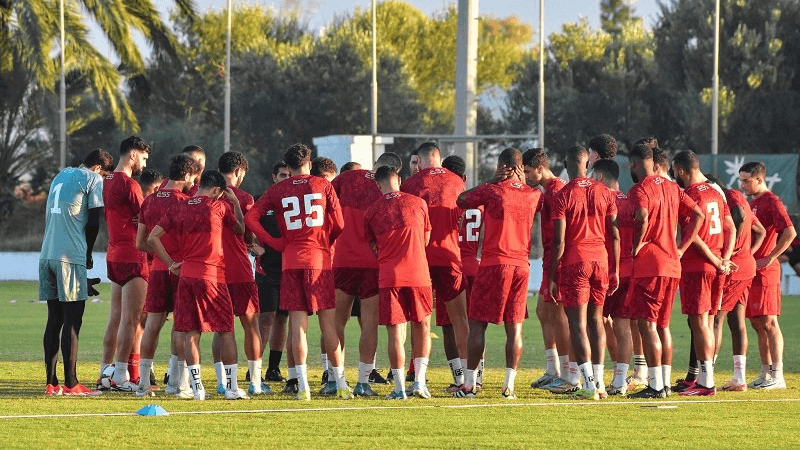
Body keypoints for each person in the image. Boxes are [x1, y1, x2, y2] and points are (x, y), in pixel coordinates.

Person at [245, 143, 347, 400]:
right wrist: (326, 241)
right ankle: (341, 384)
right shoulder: (323, 185)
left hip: (291, 261)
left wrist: (274, 242)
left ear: (287, 168)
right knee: (328, 326)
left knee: (298, 327)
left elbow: (251, 218)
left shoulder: (278, 189)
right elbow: (340, 224)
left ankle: (302, 386)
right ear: (309, 164)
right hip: (319, 262)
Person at [148, 170, 246, 400]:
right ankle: (231, 388)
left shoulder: (178, 207)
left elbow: (152, 238)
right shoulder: (219, 207)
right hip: (213, 276)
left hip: (187, 276)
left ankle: (197, 389)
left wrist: (171, 264)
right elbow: (240, 230)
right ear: (216, 190)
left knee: (191, 332)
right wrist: (234, 203)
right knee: (225, 330)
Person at [456, 148, 542, 399]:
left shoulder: (493, 190)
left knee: (477, 325)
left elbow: (462, 200)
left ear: (501, 167)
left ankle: (470, 385)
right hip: (521, 266)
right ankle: (509, 386)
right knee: (514, 328)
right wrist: (521, 183)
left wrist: (492, 180)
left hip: (495, 263)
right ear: (519, 168)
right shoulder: (533, 194)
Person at [627, 143, 703, 399]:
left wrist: (637, 245)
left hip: (651, 265)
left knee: (646, 325)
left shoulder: (640, 188)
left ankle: (657, 386)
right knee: (663, 326)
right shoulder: (672, 187)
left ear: (635, 164)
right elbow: (698, 214)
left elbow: (642, 216)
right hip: (673, 264)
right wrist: (682, 247)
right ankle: (666, 383)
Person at [330, 152, 403, 397]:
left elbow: (325, 204)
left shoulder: (346, 179)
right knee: (369, 324)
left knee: (335, 323)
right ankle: (362, 381)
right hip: (373, 263)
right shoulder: (385, 189)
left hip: (343, 259)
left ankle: (335, 380)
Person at [41, 149, 113, 396]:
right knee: (73, 321)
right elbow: (93, 221)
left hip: (47, 254)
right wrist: (88, 254)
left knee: (54, 319)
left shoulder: (61, 175)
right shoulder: (92, 179)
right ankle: (72, 383)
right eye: (104, 174)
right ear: (97, 168)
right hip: (70, 257)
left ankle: (51, 383)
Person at [550, 147, 619, 400]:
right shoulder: (604, 191)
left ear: (568, 164)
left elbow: (559, 242)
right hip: (600, 261)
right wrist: (616, 269)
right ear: (586, 163)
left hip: (575, 261)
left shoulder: (563, 194)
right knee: (596, 321)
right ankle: (599, 384)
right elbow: (614, 234)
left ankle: (588, 384)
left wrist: (551, 277)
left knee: (577, 324)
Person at [401, 142, 470, 395]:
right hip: (451, 256)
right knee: (461, 320)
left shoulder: (412, 184)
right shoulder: (457, 182)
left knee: (421, 320)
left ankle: (418, 379)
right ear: (439, 158)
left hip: (421, 259)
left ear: (419, 159)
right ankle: (468, 380)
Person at [134, 154, 201, 397]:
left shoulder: (150, 201)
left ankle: (143, 384)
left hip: (158, 271)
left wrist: (163, 260)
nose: (195, 182)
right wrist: (173, 261)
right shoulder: (185, 202)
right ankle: (176, 383)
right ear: (186, 175)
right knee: (181, 326)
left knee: (152, 324)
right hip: (180, 270)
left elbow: (141, 242)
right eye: (194, 177)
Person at [670, 151, 736, 396]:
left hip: (699, 267)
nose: (674, 175)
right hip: (717, 266)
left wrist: (717, 261)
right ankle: (703, 380)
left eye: (675, 171)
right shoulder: (715, 192)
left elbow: (693, 236)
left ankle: (706, 383)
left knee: (700, 324)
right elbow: (731, 227)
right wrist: (725, 258)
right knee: (707, 323)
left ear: (680, 169)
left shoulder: (689, 195)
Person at [365, 166, 433, 399]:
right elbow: (425, 239)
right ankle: (420, 383)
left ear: (378, 185)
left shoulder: (372, 211)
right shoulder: (419, 204)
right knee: (422, 326)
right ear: (399, 180)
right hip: (418, 274)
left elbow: (373, 245)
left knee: (395, 332)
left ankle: (399, 388)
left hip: (389, 276)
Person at [100, 136, 152, 391]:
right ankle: (120, 374)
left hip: (113, 254)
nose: (144, 163)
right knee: (131, 320)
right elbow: (148, 219)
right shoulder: (130, 185)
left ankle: (105, 370)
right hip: (133, 256)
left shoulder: (106, 181)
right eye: (143, 157)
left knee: (116, 317)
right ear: (133, 154)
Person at [215, 151, 268, 396]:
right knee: (251, 325)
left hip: (213, 271)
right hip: (239, 270)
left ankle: (222, 382)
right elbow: (248, 235)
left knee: (221, 328)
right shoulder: (244, 198)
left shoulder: (203, 195)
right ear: (238, 172)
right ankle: (255, 381)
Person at [739, 162, 796, 389]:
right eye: (741, 180)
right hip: (753, 270)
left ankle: (778, 375)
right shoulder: (753, 202)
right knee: (756, 323)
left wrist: (772, 257)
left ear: (759, 180)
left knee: (770, 322)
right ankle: (765, 373)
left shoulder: (772, 201)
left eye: (746, 180)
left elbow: (790, 232)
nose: (742, 185)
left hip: (767, 272)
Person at [522, 148, 573, 393]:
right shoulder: (548, 190)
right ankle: (552, 369)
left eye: (529, 171)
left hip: (559, 261)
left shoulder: (556, 191)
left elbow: (562, 237)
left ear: (541, 168)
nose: (527, 176)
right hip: (550, 259)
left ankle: (565, 374)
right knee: (543, 311)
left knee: (558, 315)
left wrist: (554, 271)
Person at [713, 179, 765, 391]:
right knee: (737, 322)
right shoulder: (739, 198)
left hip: (734, 268)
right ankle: (739, 378)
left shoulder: (731, 197)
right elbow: (760, 230)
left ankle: (706, 376)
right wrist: (747, 254)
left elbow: (741, 218)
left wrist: (731, 251)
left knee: (715, 319)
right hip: (745, 266)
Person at [591, 159, 634, 396]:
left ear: (599, 177)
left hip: (605, 269)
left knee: (592, 322)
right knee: (623, 326)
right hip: (629, 270)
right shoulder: (630, 201)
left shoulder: (601, 200)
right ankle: (619, 381)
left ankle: (588, 379)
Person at [442, 155, 484, 391]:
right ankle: (476, 378)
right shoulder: (480, 202)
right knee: (475, 325)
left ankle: (459, 378)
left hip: (451, 266)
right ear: (465, 178)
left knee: (450, 324)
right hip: (476, 266)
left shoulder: (445, 203)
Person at [251, 162, 292, 391]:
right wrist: (253, 245)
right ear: (274, 177)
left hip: (289, 268)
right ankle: (254, 367)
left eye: (289, 175)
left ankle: (273, 368)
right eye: (282, 175)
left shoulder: (294, 202)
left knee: (283, 318)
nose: (286, 178)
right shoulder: (263, 200)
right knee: (265, 317)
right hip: (267, 269)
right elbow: (247, 226)